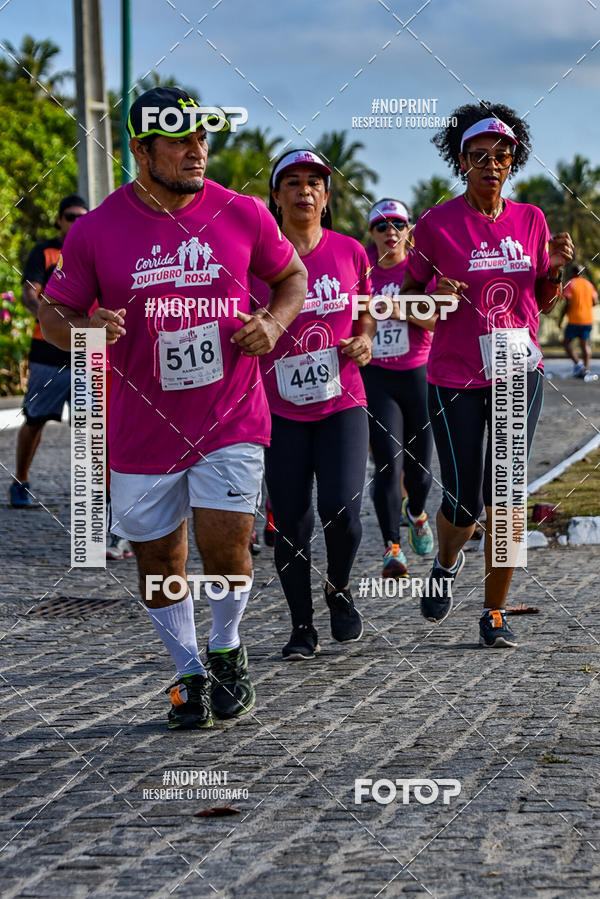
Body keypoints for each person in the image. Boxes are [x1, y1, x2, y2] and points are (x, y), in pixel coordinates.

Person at [40, 87, 307, 728]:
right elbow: (51, 314)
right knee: (160, 563)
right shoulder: (97, 229)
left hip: (229, 415)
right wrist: (85, 327)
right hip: (140, 426)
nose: (197, 149)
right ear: (140, 149)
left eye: (202, 136)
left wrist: (272, 322)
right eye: (180, 138)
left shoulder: (243, 213)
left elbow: (292, 278)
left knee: (227, 548)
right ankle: (187, 669)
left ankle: (226, 647)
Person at [401, 103, 573, 648]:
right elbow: (407, 302)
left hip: (517, 370)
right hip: (455, 377)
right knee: (465, 499)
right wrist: (432, 297)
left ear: (513, 161)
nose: (492, 165)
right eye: (479, 157)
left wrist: (554, 271)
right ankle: (446, 565)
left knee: (508, 494)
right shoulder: (434, 225)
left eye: (502, 156)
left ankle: (493, 611)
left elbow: (540, 301)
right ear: (461, 161)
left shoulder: (531, 220)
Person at [252, 149, 375, 661]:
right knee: (293, 519)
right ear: (276, 196)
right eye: (293, 182)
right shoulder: (254, 259)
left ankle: (339, 587)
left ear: (326, 198)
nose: (305, 190)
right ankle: (302, 626)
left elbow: (367, 311)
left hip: (342, 401)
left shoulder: (351, 252)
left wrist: (365, 339)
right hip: (278, 408)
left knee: (342, 510)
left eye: (314, 183)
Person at [361, 199, 435, 579]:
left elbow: (439, 320)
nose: (391, 231)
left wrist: (400, 309)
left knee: (420, 471)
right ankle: (393, 548)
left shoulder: (420, 270)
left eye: (399, 225)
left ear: (408, 231)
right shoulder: (364, 272)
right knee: (388, 463)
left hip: (418, 374)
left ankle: (417, 513)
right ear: (371, 234)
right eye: (382, 226)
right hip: (377, 378)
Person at [9, 195, 88, 508]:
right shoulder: (44, 251)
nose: (76, 223)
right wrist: (56, 322)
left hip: (86, 350)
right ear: (59, 219)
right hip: (47, 351)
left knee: (90, 425)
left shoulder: (93, 249)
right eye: (70, 217)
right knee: (35, 420)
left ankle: (93, 492)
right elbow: (30, 294)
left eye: (83, 217)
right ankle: (20, 480)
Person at [559, 264, 598, 381]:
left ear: (572, 273)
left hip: (575, 319)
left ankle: (578, 364)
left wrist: (561, 318)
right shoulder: (589, 284)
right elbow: (595, 301)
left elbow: (567, 302)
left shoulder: (570, 283)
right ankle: (586, 369)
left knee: (566, 342)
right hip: (587, 319)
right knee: (584, 344)